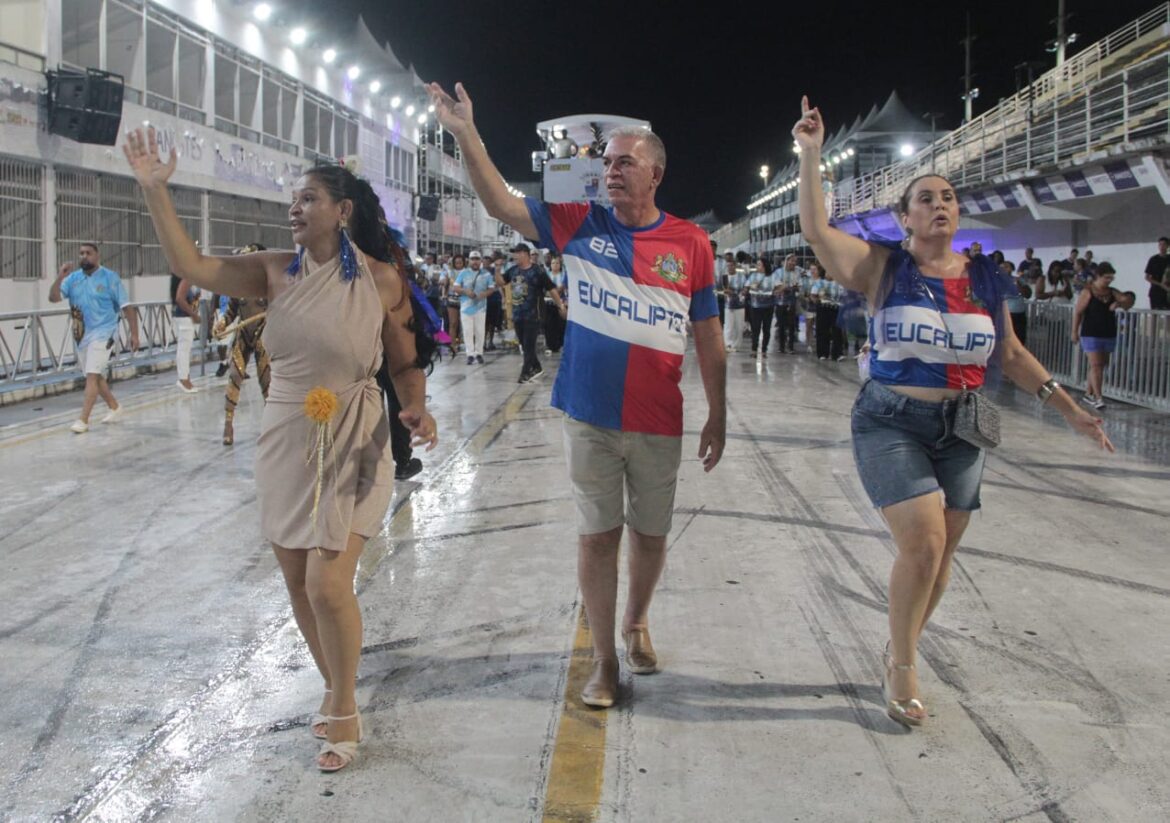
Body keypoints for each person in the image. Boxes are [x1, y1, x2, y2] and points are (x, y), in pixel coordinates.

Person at [123, 126, 438, 772]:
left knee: (328, 581)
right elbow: (192, 266)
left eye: (308, 199)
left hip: (357, 434)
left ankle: (344, 706)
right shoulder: (272, 271)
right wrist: (156, 190)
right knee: (298, 583)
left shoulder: (381, 280)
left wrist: (417, 405)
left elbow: (406, 359)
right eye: (292, 201)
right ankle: (338, 686)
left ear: (342, 211)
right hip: (287, 436)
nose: (294, 209)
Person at [793, 96, 1113, 729]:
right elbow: (816, 231)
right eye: (927, 198)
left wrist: (1071, 409)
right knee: (924, 542)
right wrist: (809, 156)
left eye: (948, 197)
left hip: (963, 428)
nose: (941, 204)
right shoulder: (883, 268)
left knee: (939, 558)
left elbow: (1014, 355)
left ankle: (900, 644)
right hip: (890, 420)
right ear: (904, 217)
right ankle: (905, 668)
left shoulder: (987, 280)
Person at [428, 81, 725, 708]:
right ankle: (605, 659)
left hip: (658, 418)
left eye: (624, 163)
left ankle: (637, 621)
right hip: (588, 415)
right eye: (606, 161)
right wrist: (465, 134)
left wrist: (719, 414)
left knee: (649, 535)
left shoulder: (690, 244)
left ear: (656, 174)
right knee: (597, 536)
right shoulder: (574, 225)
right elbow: (502, 202)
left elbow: (708, 335)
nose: (610, 171)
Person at [49, 242, 140, 434]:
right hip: (82, 335)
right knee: (96, 376)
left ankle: (83, 420)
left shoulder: (109, 278)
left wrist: (135, 334)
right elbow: (54, 297)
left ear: (97, 256)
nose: (84, 256)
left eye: (88, 253)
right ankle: (115, 407)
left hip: (104, 332)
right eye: (81, 253)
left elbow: (127, 307)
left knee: (91, 375)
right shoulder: (73, 279)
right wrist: (60, 277)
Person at [216, 243, 271, 445]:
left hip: (263, 334)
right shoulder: (238, 286)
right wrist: (222, 323)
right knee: (234, 377)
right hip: (243, 334)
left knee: (267, 383)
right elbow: (231, 311)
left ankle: (272, 425)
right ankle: (228, 424)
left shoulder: (268, 284)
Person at [498, 241, 566, 383]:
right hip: (517, 314)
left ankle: (525, 373)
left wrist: (560, 305)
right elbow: (501, 282)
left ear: (525, 254)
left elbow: (551, 289)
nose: (515, 256)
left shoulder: (538, 271)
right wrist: (497, 269)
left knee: (529, 346)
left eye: (517, 253)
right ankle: (537, 367)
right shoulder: (513, 270)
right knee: (524, 344)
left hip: (533, 315)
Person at [1072, 262, 1128, 410]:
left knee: (1100, 365)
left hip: (1108, 332)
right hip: (1091, 333)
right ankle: (1098, 397)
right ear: (1098, 276)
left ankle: (1089, 393)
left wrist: (1118, 303)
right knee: (1096, 365)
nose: (1109, 281)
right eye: (1106, 278)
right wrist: (1074, 332)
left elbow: (1127, 299)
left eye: (1111, 278)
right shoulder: (1088, 292)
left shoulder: (1112, 292)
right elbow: (1078, 312)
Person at [454, 250, 495, 364]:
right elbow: (455, 288)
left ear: (480, 261)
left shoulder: (486, 274)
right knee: (467, 332)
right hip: (466, 309)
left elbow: (492, 288)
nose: (475, 262)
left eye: (477, 259)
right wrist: (465, 291)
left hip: (481, 308)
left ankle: (479, 353)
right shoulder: (463, 273)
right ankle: (470, 354)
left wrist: (484, 294)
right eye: (473, 259)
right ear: (469, 261)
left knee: (480, 331)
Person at [170, 270, 201, 393]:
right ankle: (183, 379)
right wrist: (193, 315)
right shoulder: (186, 277)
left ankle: (185, 378)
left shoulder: (182, 277)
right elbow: (180, 298)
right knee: (184, 349)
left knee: (184, 348)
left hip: (182, 316)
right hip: (185, 317)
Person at [773, 254, 802, 354]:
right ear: (787, 261)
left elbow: (798, 285)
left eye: (795, 261)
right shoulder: (778, 272)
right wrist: (785, 287)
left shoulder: (796, 273)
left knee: (791, 325)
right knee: (781, 325)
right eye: (791, 261)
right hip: (780, 302)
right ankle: (781, 346)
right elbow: (777, 287)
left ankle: (790, 346)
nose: (793, 263)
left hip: (791, 302)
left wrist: (790, 287)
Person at [746, 258, 775, 357]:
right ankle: (754, 349)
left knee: (766, 328)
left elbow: (781, 286)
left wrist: (773, 293)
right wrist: (750, 288)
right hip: (755, 306)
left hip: (768, 306)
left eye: (759, 265)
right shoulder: (753, 276)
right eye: (757, 264)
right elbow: (747, 286)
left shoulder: (771, 277)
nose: (757, 267)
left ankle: (764, 350)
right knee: (755, 328)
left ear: (764, 266)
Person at [543, 254, 569, 355]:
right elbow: (544, 288)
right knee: (549, 325)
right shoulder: (546, 274)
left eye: (557, 263)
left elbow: (563, 287)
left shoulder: (563, 275)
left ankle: (561, 344)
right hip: (548, 302)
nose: (555, 265)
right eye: (553, 263)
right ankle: (551, 346)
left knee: (561, 325)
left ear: (560, 264)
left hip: (561, 302)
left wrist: (555, 293)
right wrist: (551, 293)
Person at [723, 257, 746, 351]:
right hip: (728, 305)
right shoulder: (724, 277)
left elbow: (745, 288)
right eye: (728, 266)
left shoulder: (741, 276)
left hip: (740, 305)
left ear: (735, 266)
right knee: (728, 326)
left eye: (732, 265)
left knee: (739, 326)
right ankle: (728, 344)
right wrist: (726, 292)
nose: (730, 267)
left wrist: (740, 293)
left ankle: (736, 345)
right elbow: (722, 289)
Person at [1145, 236, 1169, 310]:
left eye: (1164, 244)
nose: (1162, 247)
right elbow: (1147, 277)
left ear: (1168, 246)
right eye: (1160, 244)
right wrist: (1160, 284)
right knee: (1155, 313)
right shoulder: (1153, 259)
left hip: (1168, 291)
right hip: (1156, 292)